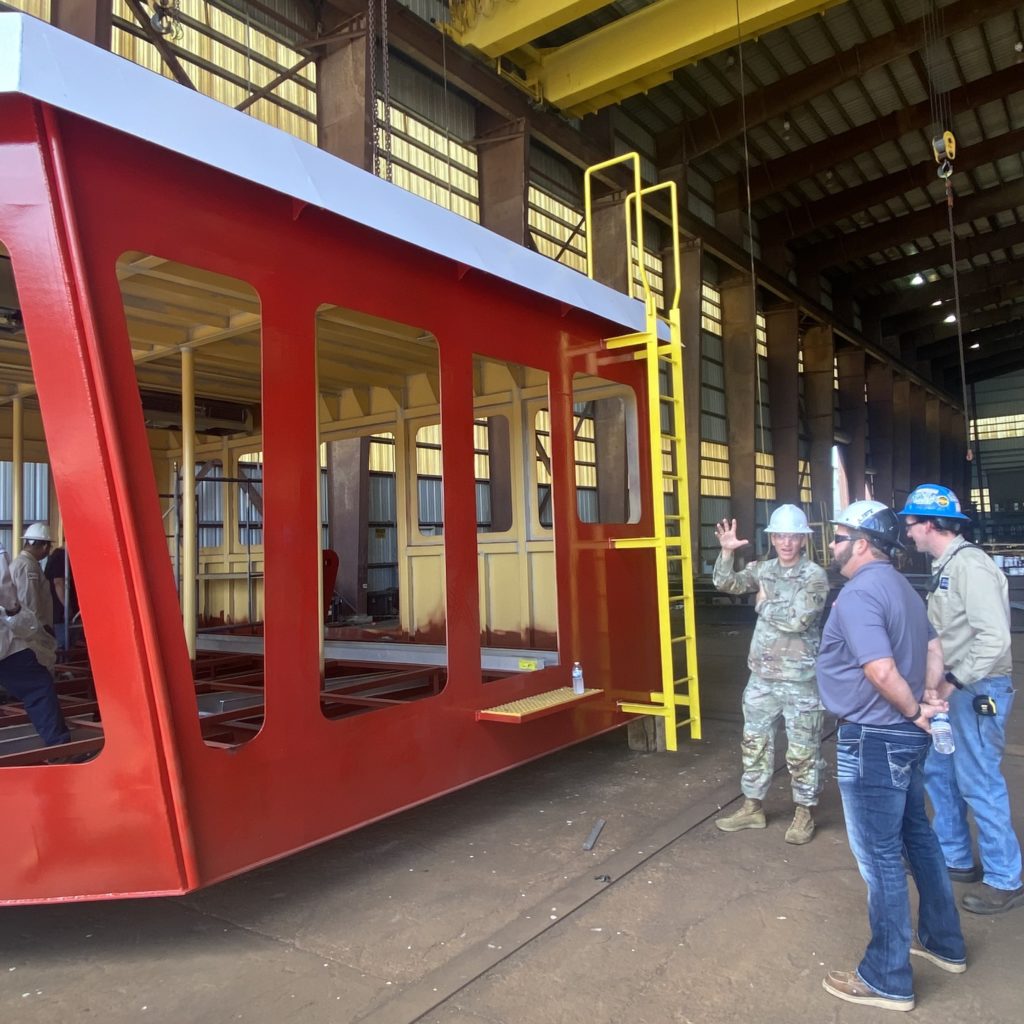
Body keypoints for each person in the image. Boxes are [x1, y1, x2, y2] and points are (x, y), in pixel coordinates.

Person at [817, 500, 965, 1012]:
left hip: (875, 738)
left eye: (838, 538)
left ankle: (886, 976)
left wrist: (911, 709)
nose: (832, 547)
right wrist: (926, 698)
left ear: (860, 543)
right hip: (902, 737)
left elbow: (879, 670)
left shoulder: (859, 593)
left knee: (879, 857)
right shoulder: (903, 586)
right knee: (917, 838)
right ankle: (944, 943)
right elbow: (933, 648)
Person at [900, 483, 1022, 915]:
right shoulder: (946, 566)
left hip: (976, 690)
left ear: (929, 524)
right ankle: (955, 856)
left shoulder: (971, 567)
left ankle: (1006, 876)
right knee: (939, 771)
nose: (908, 534)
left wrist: (950, 680)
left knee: (978, 781)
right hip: (954, 688)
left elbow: (993, 639)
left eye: (911, 524)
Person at [712, 504, 828, 844]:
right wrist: (726, 552)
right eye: (780, 535)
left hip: (800, 679)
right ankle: (752, 808)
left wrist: (762, 603)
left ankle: (804, 813)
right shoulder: (763, 569)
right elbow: (726, 583)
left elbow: (798, 620)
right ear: (772, 538)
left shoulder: (814, 577)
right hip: (762, 676)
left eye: (793, 536)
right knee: (755, 743)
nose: (786, 542)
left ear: (804, 540)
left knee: (803, 749)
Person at [11, 522, 54, 629]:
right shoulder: (27, 567)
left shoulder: (23, 563)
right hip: (30, 633)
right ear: (45, 546)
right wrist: (43, 627)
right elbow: (29, 602)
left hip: (25, 630)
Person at [44, 545, 77, 652]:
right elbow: (59, 583)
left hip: (60, 615)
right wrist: (67, 608)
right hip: (61, 616)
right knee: (63, 649)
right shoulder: (61, 557)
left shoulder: (58, 556)